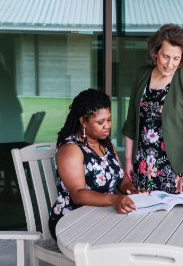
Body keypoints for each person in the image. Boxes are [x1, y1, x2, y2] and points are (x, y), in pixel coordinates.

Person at [123, 24, 183, 195]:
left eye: (176, 58)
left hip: (177, 170)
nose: (170, 64)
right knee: (144, 219)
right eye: (165, 56)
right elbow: (131, 122)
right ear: (155, 53)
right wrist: (129, 160)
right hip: (144, 166)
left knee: (176, 220)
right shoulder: (142, 75)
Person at [49, 89, 139, 240]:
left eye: (109, 119)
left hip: (104, 215)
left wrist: (131, 190)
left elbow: (121, 178)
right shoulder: (71, 149)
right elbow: (78, 194)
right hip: (73, 220)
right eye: (100, 122)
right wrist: (114, 199)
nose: (108, 126)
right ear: (83, 121)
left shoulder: (105, 144)